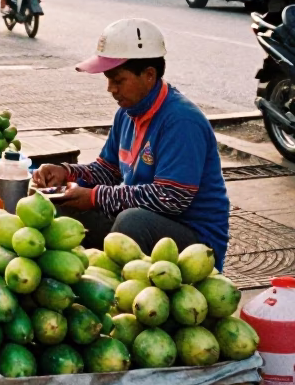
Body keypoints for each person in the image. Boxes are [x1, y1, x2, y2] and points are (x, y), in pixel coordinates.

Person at [32, 18, 230, 265]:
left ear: (149, 75)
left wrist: (95, 197)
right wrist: (66, 172)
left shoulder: (181, 121)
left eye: (118, 80)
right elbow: (107, 170)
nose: (110, 89)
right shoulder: (127, 112)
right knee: (59, 208)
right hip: (145, 220)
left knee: (131, 222)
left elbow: (171, 198)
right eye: (108, 80)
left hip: (194, 240)